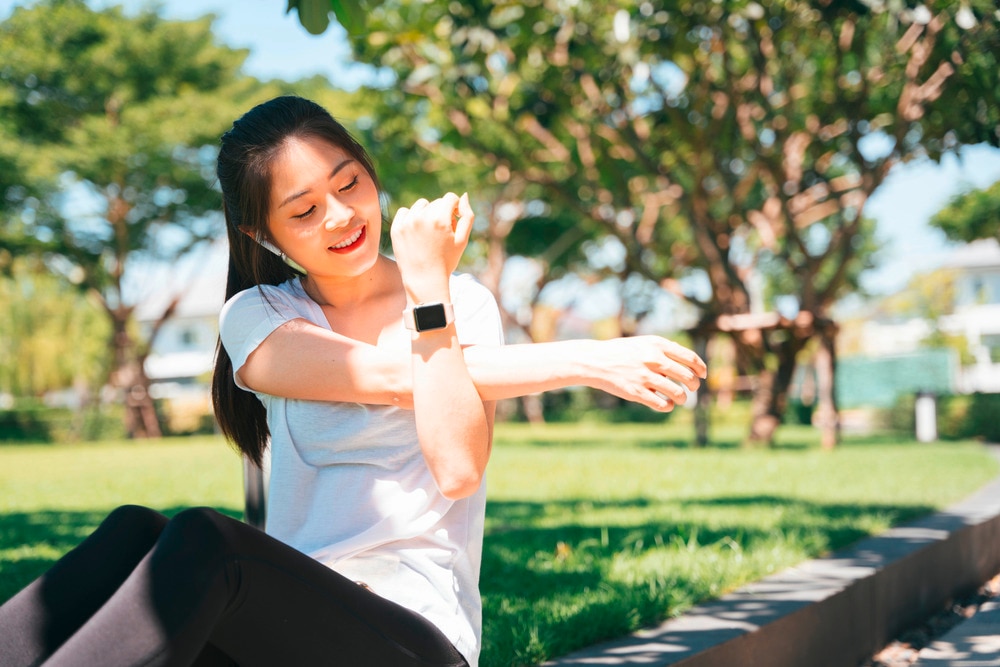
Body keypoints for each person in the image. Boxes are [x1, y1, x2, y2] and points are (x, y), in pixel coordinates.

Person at [0, 95, 706, 667]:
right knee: (135, 532)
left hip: (412, 641)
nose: (341, 216)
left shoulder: (467, 305)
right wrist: (582, 359)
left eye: (350, 182)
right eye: (304, 210)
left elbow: (458, 468)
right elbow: (384, 375)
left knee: (208, 543)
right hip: (280, 627)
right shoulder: (261, 314)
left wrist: (430, 289)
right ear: (262, 236)